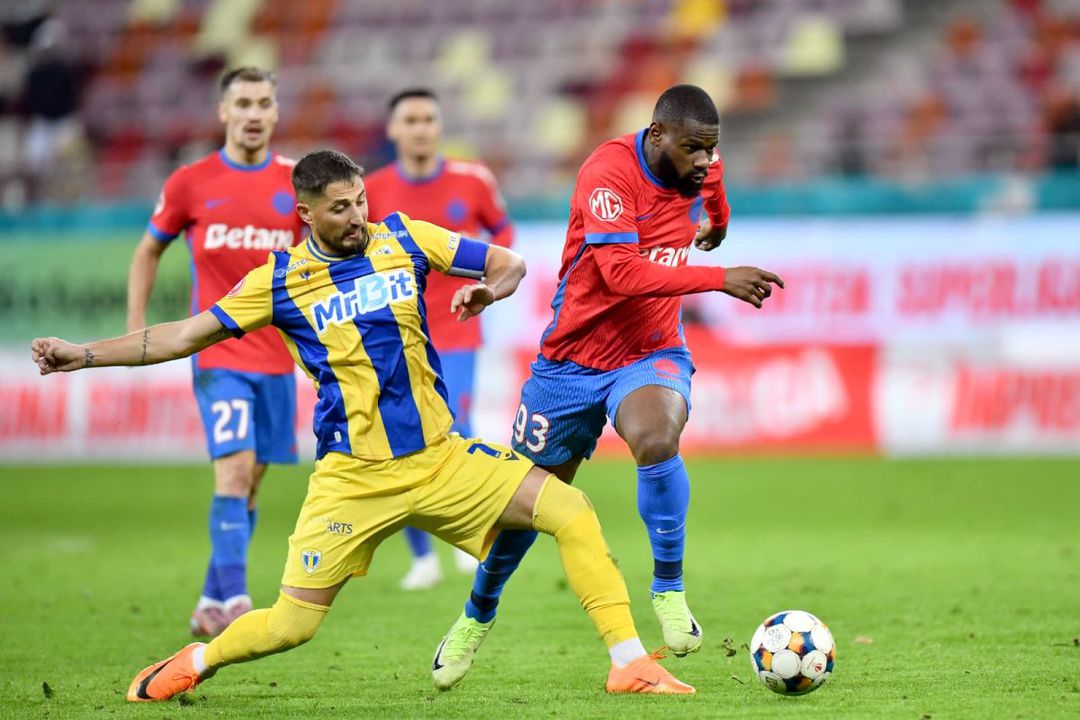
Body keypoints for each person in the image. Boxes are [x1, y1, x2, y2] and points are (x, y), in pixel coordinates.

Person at [33, 149, 697, 699]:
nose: (357, 217)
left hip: (440, 458)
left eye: (360, 202)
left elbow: (509, 262)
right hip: (353, 478)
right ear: (305, 214)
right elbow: (182, 336)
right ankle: (196, 661)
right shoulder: (280, 281)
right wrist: (82, 355)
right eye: (340, 208)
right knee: (291, 626)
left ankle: (628, 663)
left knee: (571, 510)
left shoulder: (403, 237)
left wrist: (487, 290)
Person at [430, 84, 784, 690]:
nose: (704, 161)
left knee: (656, 437)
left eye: (711, 149)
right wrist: (717, 274)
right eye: (694, 149)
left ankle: (668, 589)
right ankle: (476, 614)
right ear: (657, 135)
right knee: (527, 505)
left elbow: (716, 200)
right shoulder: (608, 175)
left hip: (650, 350)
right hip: (571, 360)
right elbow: (620, 273)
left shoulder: (704, 164)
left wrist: (718, 225)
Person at [125, 67, 306, 637]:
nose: (254, 114)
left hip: (277, 357)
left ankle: (210, 597)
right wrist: (135, 327)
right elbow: (147, 251)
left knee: (251, 479)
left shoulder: (298, 183)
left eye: (264, 103)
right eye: (243, 103)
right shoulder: (191, 182)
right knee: (233, 470)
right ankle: (236, 602)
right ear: (223, 111)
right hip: (218, 354)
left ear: (276, 112)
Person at [366, 88, 515, 590]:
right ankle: (422, 557)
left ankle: (470, 535)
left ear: (439, 125)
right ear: (393, 129)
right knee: (402, 436)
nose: (421, 128)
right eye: (410, 120)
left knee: (457, 428)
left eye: (428, 119)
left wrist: (484, 279)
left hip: (457, 328)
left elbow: (503, 234)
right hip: (395, 333)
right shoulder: (372, 190)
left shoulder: (473, 181)